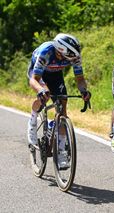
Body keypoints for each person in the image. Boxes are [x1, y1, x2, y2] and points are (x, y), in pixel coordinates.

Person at [27, 33, 91, 169]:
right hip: (39, 73)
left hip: (56, 74)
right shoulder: (46, 52)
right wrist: (40, 91)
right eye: (71, 57)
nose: (74, 59)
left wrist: (84, 91)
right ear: (61, 51)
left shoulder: (74, 55)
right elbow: (34, 79)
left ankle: (61, 151)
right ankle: (32, 122)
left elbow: (80, 78)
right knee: (46, 95)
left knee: (62, 107)